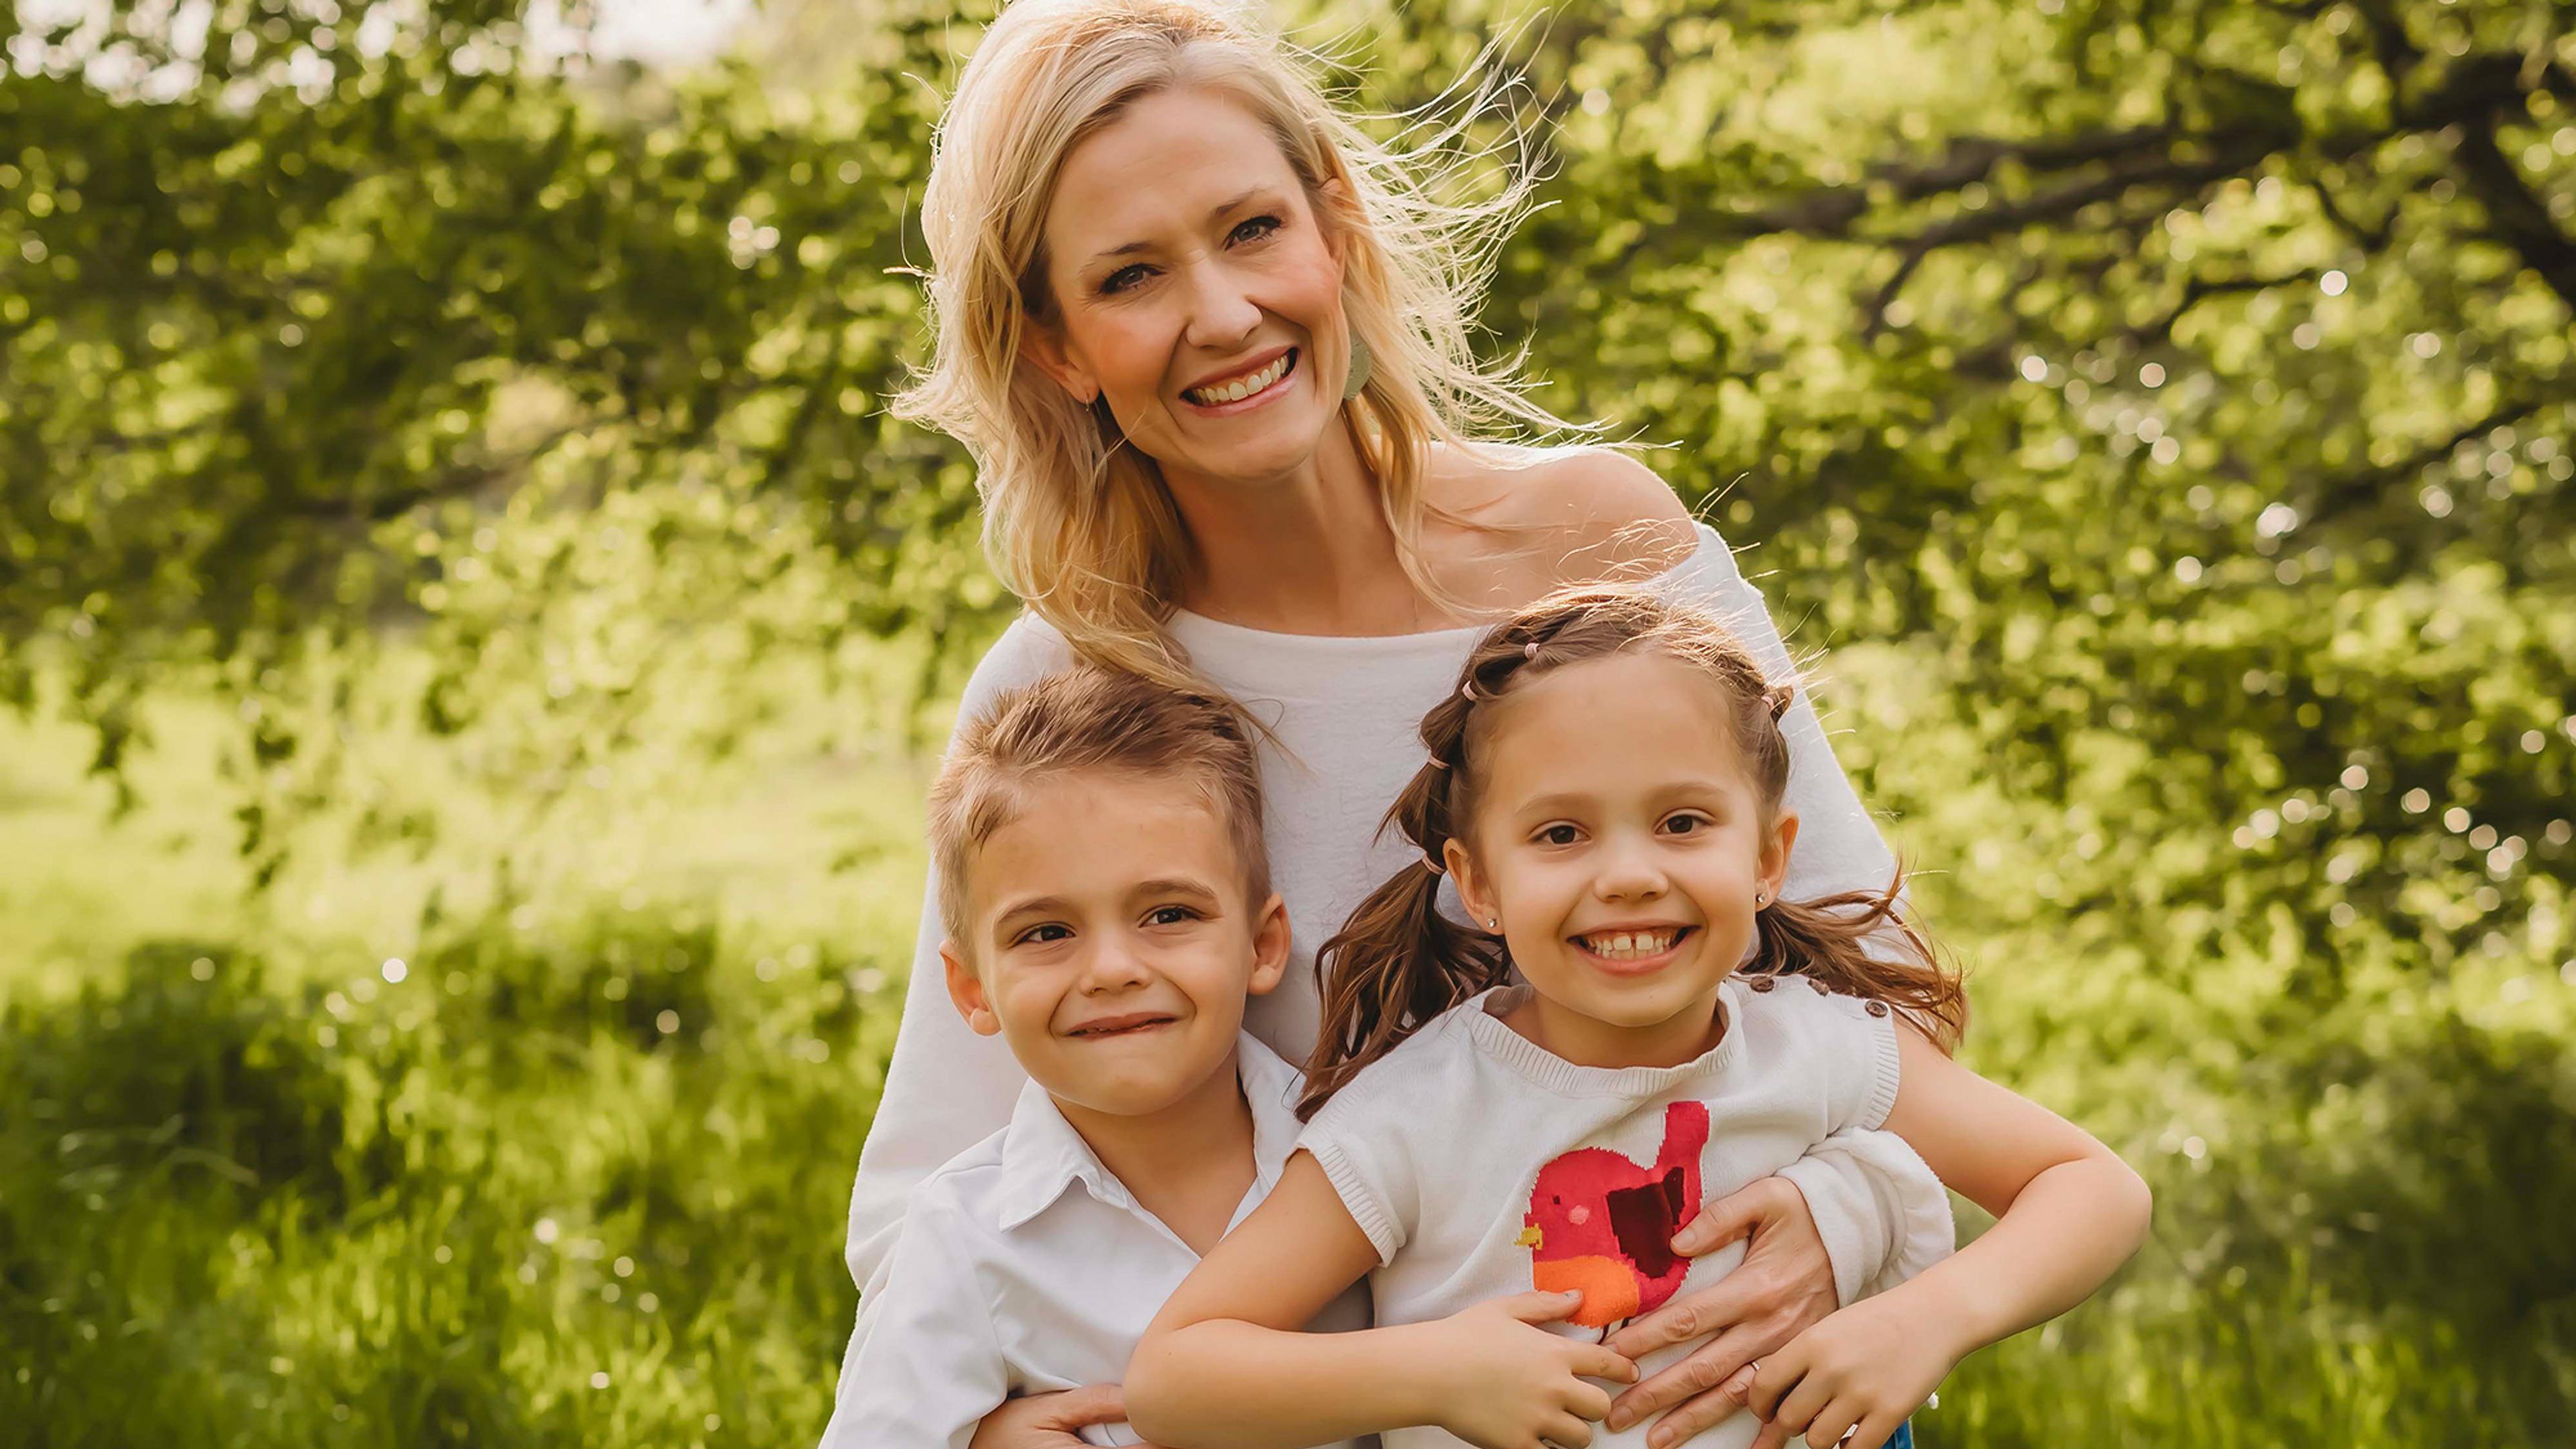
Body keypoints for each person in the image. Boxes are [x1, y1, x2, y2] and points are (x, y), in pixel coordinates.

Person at [851, 1, 1953, 1440]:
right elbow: (936, 1193)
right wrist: (984, 1432)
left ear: (1335, 226)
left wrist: (1849, 1199)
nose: (1224, 314)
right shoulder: (1076, 691)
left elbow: (1874, 1005)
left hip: (1721, 1392)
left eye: (1250, 230)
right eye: (1132, 275)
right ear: (1057, 346)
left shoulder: (1603, 544)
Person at [1126, 587, 2153, 1449]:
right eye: (1563, 833)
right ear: (1477, 883)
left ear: (1766, 859)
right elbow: (1178, 1376)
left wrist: (1929, 1321)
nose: (1629, 876)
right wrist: (1430, 1374)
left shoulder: (1823, 1048)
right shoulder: (1420, 1114)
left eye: (1682, 823)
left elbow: (2093, 1187)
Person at [820, 666, 1372, 1448]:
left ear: (1262, 944)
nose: (1112, 968)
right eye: (1047, 933)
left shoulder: (1372, 1154)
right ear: (973, 988)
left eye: (1168, 914)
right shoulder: (965, 1240)